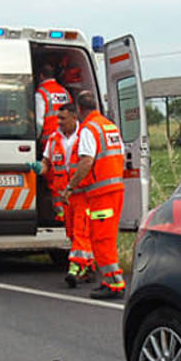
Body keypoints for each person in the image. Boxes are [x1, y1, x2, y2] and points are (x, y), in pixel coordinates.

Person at [64, 91, 126, 299]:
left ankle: (113, 282)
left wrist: (71, 186)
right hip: (116, 190)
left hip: (101, 194)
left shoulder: (89, 130)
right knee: (107, 236)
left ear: (79, 110)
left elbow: (87, 161)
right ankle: (113, 279)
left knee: (101, 238)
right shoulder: (109, 126)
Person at [39, 104, 95, 286]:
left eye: (62, 119)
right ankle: (88, 266)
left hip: (82, 194)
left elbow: (88, 162)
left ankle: (75, 268)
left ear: (73, 117)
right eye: (58, 119)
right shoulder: (54, 139)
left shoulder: (84, 136)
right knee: (72, 233)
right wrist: (39, 168)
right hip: (65, 197)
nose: (59, 122)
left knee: (81, 232)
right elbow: (46, 163)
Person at [35, 61, 72, 145]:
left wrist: (36, 140)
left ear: (41, 76)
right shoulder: (65, 92)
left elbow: (39, 121)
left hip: (49, 141)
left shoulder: (41, 94)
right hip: (66, 140)